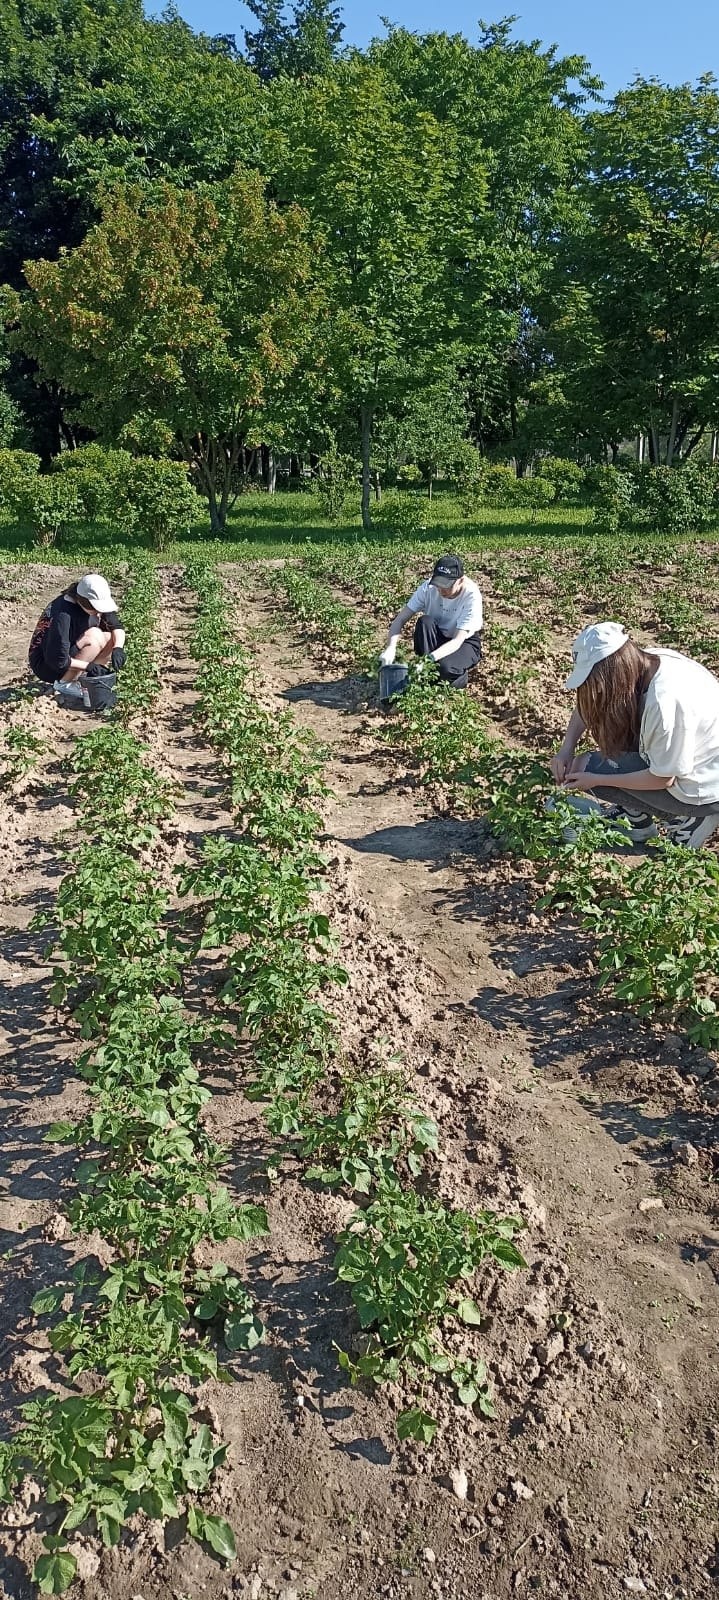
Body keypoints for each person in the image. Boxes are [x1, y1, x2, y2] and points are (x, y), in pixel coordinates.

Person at [551, 621, 719, 848]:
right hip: (697, 758)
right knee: (608, 730)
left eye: (598, 682)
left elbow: (662, 778)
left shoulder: (664, 703)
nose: (597, 689)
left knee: (586, 769)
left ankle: (692, 818)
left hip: (704, 787)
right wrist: (566, 748)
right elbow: (589, 702)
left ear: (612, 671)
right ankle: (637, 822)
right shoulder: (646, 661)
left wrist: (598, 780)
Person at [379, 554, 483, 689]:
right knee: (424, 621)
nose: (441, 590)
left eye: (447, 585)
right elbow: (401, 619)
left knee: (444, 668)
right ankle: (428, 671)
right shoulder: (428, 588)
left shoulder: (471, 596)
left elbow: (457, 641)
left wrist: (428, 660)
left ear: (461, 581)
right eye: (438, 584)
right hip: (436, 636)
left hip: (463, 642)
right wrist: (391, 647)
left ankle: (457, 677)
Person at [28, 574, 126, 706]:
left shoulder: (91, 602)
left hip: (70, 652)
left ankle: (87, 680)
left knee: (109, 638)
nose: (98, 612)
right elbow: (57, 659)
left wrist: (118, 648)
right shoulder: (63, 615)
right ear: (83, 601)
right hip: (47, 664)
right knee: (94, 636)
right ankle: (64, 684)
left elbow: (116, 626)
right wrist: (89, 666)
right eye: (95, 607)